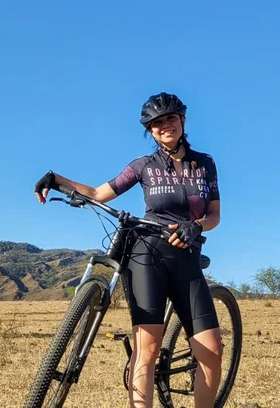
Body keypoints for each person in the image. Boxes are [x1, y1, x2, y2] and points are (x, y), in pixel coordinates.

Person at [34, 92, 222, 408]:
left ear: (182, 121)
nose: (165, 126)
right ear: (150, 130)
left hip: (185, 258)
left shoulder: (204, 164)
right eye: (157, 123)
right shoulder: (143, 166)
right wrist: (55, 179)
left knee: (212, 349)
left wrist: (197, 225)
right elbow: (97, 192)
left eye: (171, 119)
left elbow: (214, 215)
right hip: (146, 254)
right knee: (146, 348)